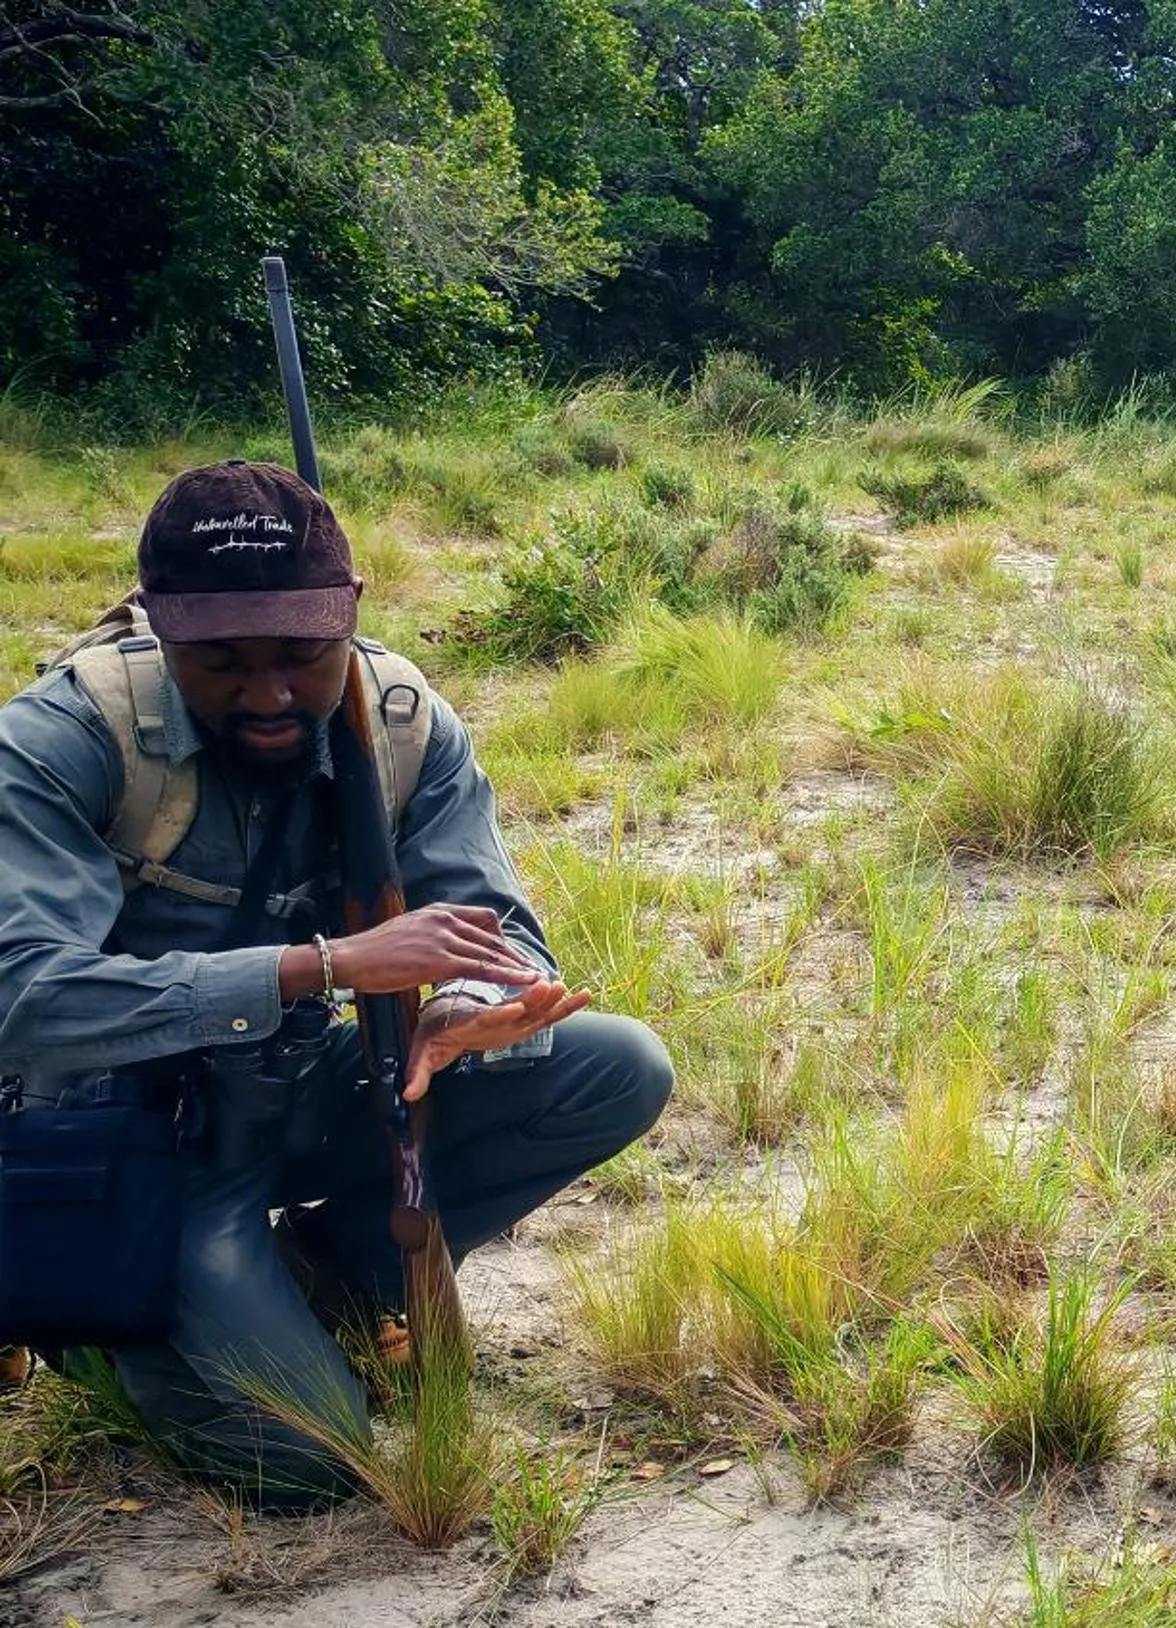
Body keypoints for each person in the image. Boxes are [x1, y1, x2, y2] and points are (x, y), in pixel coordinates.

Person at [0, 459, 672, 1510]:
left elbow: (496, 930)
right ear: (158, 629)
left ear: (347, 619)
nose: (268, 693)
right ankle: (82, 1311)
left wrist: (465, 1011)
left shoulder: (402, 722)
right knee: (307, 1464)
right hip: (127, 1146)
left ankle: (327, 1268)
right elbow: (27, 997)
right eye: (220, 662)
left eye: (305, 657)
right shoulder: (64, 737)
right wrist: (323, 967)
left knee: (614, 1066)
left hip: (308, 1087)